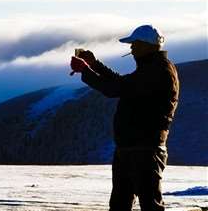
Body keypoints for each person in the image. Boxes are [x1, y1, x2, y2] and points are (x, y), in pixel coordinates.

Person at [70, 24, 180, 211]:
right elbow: (123, 83)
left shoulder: (158, 71)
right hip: (134, 149)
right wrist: (94, 65)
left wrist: (86, 71)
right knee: (123, 204)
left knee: (149, 205)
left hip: (145, 150)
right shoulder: (153, 68)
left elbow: (115, 88)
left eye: (134, 44)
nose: (131, 48)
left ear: (146, 45)